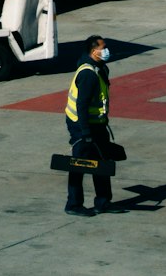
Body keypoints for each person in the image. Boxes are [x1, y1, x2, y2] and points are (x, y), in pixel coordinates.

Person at [64, 34, 115, 215]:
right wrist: (85, 132)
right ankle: (73, 204)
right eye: (103, 48)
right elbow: (82, 105)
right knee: (79, 163)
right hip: (81, 124)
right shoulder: (88, 74)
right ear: (94, 52)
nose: (106, 50)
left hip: (97, 123)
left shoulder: (100, 68)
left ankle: (103, 201)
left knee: (102, 160)